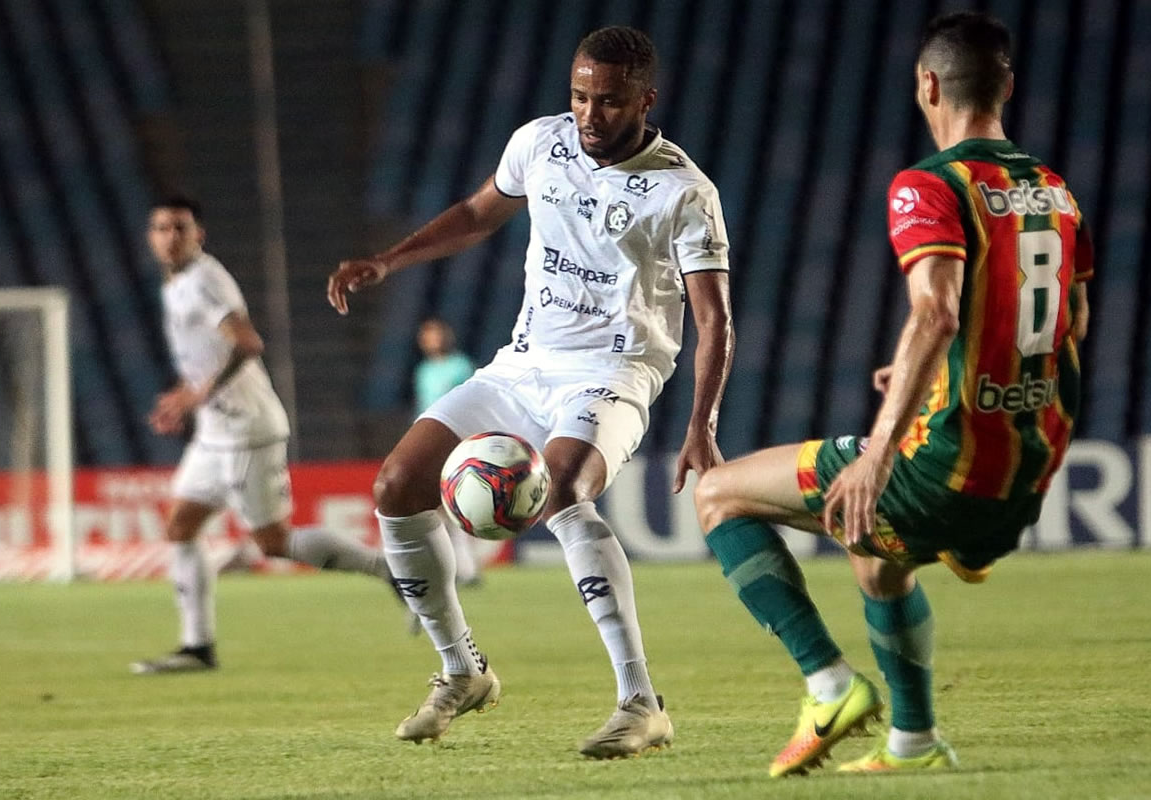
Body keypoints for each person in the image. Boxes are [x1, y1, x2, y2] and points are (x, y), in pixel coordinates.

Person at [693, 11, 1092, 776]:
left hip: (944, 469)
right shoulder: (1054, 191)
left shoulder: (929, 185)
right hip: (1027, 471)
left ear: (927, 85)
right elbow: (1065, 322)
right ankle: (913, 740)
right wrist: (945, 375)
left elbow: (936, 312)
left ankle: (829, 686)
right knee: (876, 558)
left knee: (718, 495)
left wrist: (877, 455)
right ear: (1007, 86)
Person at [328, 26, 733, 757]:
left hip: (613, 371)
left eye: (609, 101)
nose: (590, 115)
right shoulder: (540, 143)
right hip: (522, 365)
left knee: (565, 491)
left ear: (646, 99)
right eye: (579, 97)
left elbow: (715, 319)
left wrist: (701, 424)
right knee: (395, 486)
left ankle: (641, 703)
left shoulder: (683, 192)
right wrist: (388, 262)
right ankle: (461, 670)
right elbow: (477, 213)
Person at [132, 195, 399, 673]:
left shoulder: (204, 281)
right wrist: (187, 397)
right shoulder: (176, 284)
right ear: (150, 237)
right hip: (215, 433)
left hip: (246, 430)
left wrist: (196, 395)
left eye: (180, 228)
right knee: (181, 526)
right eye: (161, 229)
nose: (170, 238)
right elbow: (206, 357)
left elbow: (248, 342)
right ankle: (197, 647)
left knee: (272, 542)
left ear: (198, 235)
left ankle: (388, 569)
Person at [413, 317, 481, 586]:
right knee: (441, 509)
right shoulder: (424, 370)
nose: (429, 340)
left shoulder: (460, 365)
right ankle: (461, 569)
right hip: (430, 442)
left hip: (457, 439)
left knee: (455, 505)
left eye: (433, 335)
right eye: (425, 336)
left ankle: (465, 569)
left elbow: (472, 401)